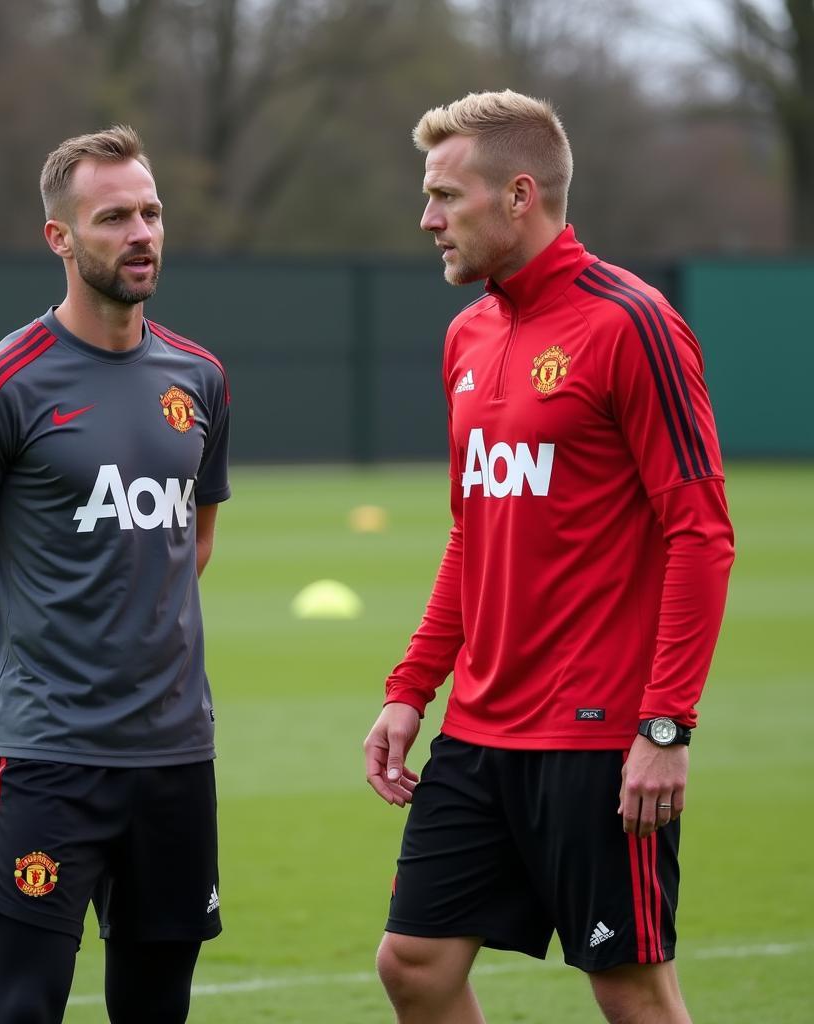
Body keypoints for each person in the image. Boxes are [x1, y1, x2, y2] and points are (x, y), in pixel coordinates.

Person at [363, 90, 734, 1024]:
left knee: (633, 995)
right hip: (481, 733)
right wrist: (411, 689)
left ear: (519, 195)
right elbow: (471, 533)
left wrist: (664, 729)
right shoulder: (468, 334)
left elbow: (701, 533)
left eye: (447, 196)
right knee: (414, 965)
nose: (428, 219)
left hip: (598, 738)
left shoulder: (631, 322)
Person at [0, 125, 231, 1024]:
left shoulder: (199, 379)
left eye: (152, 212)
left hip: (174, 757)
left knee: (157, 1010)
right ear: (61, 237)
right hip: (47, 761)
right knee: (20, 1009)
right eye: (115, 215)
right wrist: (23, 659)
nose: (142, 233)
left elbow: (190, 541)